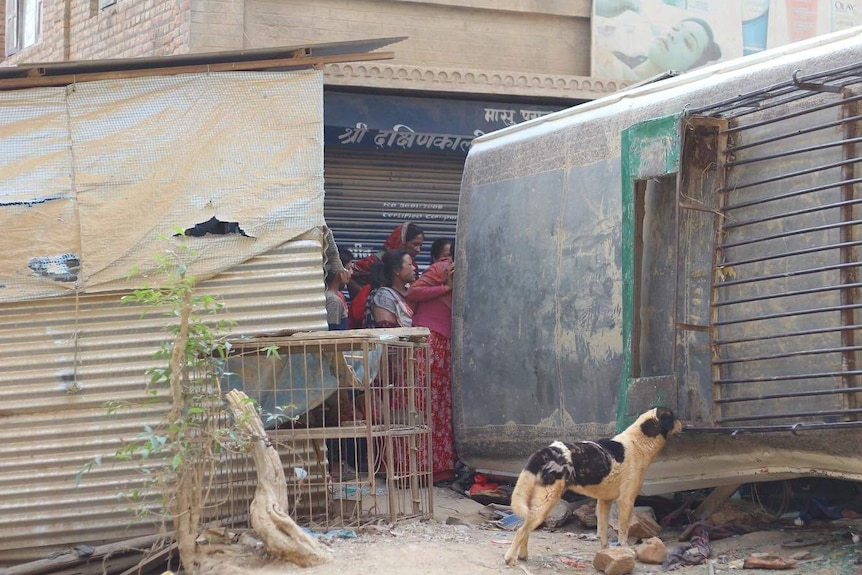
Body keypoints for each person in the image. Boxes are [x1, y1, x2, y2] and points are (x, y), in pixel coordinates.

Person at [406, 242, 456, 483]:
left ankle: (439, 468)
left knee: (441, 405)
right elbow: (413, 292)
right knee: (424, 403)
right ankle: (418, 467)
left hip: (445, 343)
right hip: (431, 339)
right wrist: (445, 287)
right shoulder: (443, 269)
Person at [593, 0, 722, 81]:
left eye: (688, 42)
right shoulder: (611, 67)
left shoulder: (609, 68)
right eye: (676, 28)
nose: (673, 35)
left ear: (692, 66)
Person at [349, 222, 424, 328]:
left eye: (420, 245)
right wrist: (367, 293)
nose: (418, 250)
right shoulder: (383, 295)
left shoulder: (412, 268)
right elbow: (350, 276)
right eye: (414, 244)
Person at [364, 249, 416, 329]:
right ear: (397, 270)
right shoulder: (384, 297)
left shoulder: (411, 292)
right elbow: (387, 333)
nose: (414, 268)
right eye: (410, 265)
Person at [324, 248, 353, 331]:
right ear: (339, 272)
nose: (351, 272)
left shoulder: (336, 297)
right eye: (349, 268)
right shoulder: (333, 301)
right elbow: (332, 335)